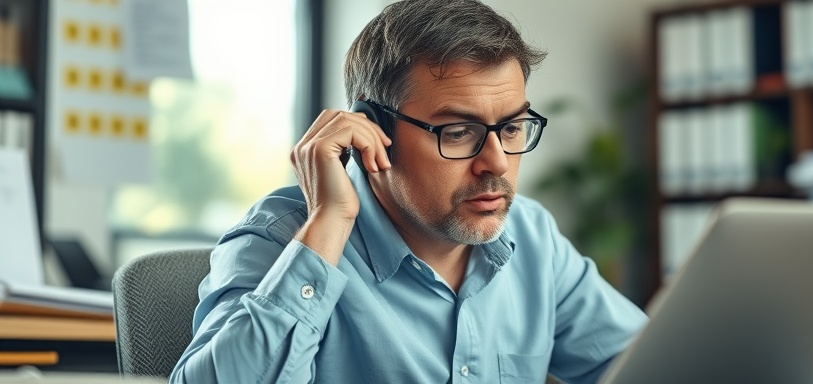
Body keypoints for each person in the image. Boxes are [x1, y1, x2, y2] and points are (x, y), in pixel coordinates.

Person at [169, 0, 647, 382]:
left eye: (514, 127)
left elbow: (649, 364)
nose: (497, 161)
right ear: (374, 132)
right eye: (458, 132)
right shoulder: (282, 238)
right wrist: (329, 223)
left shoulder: (532, 235)